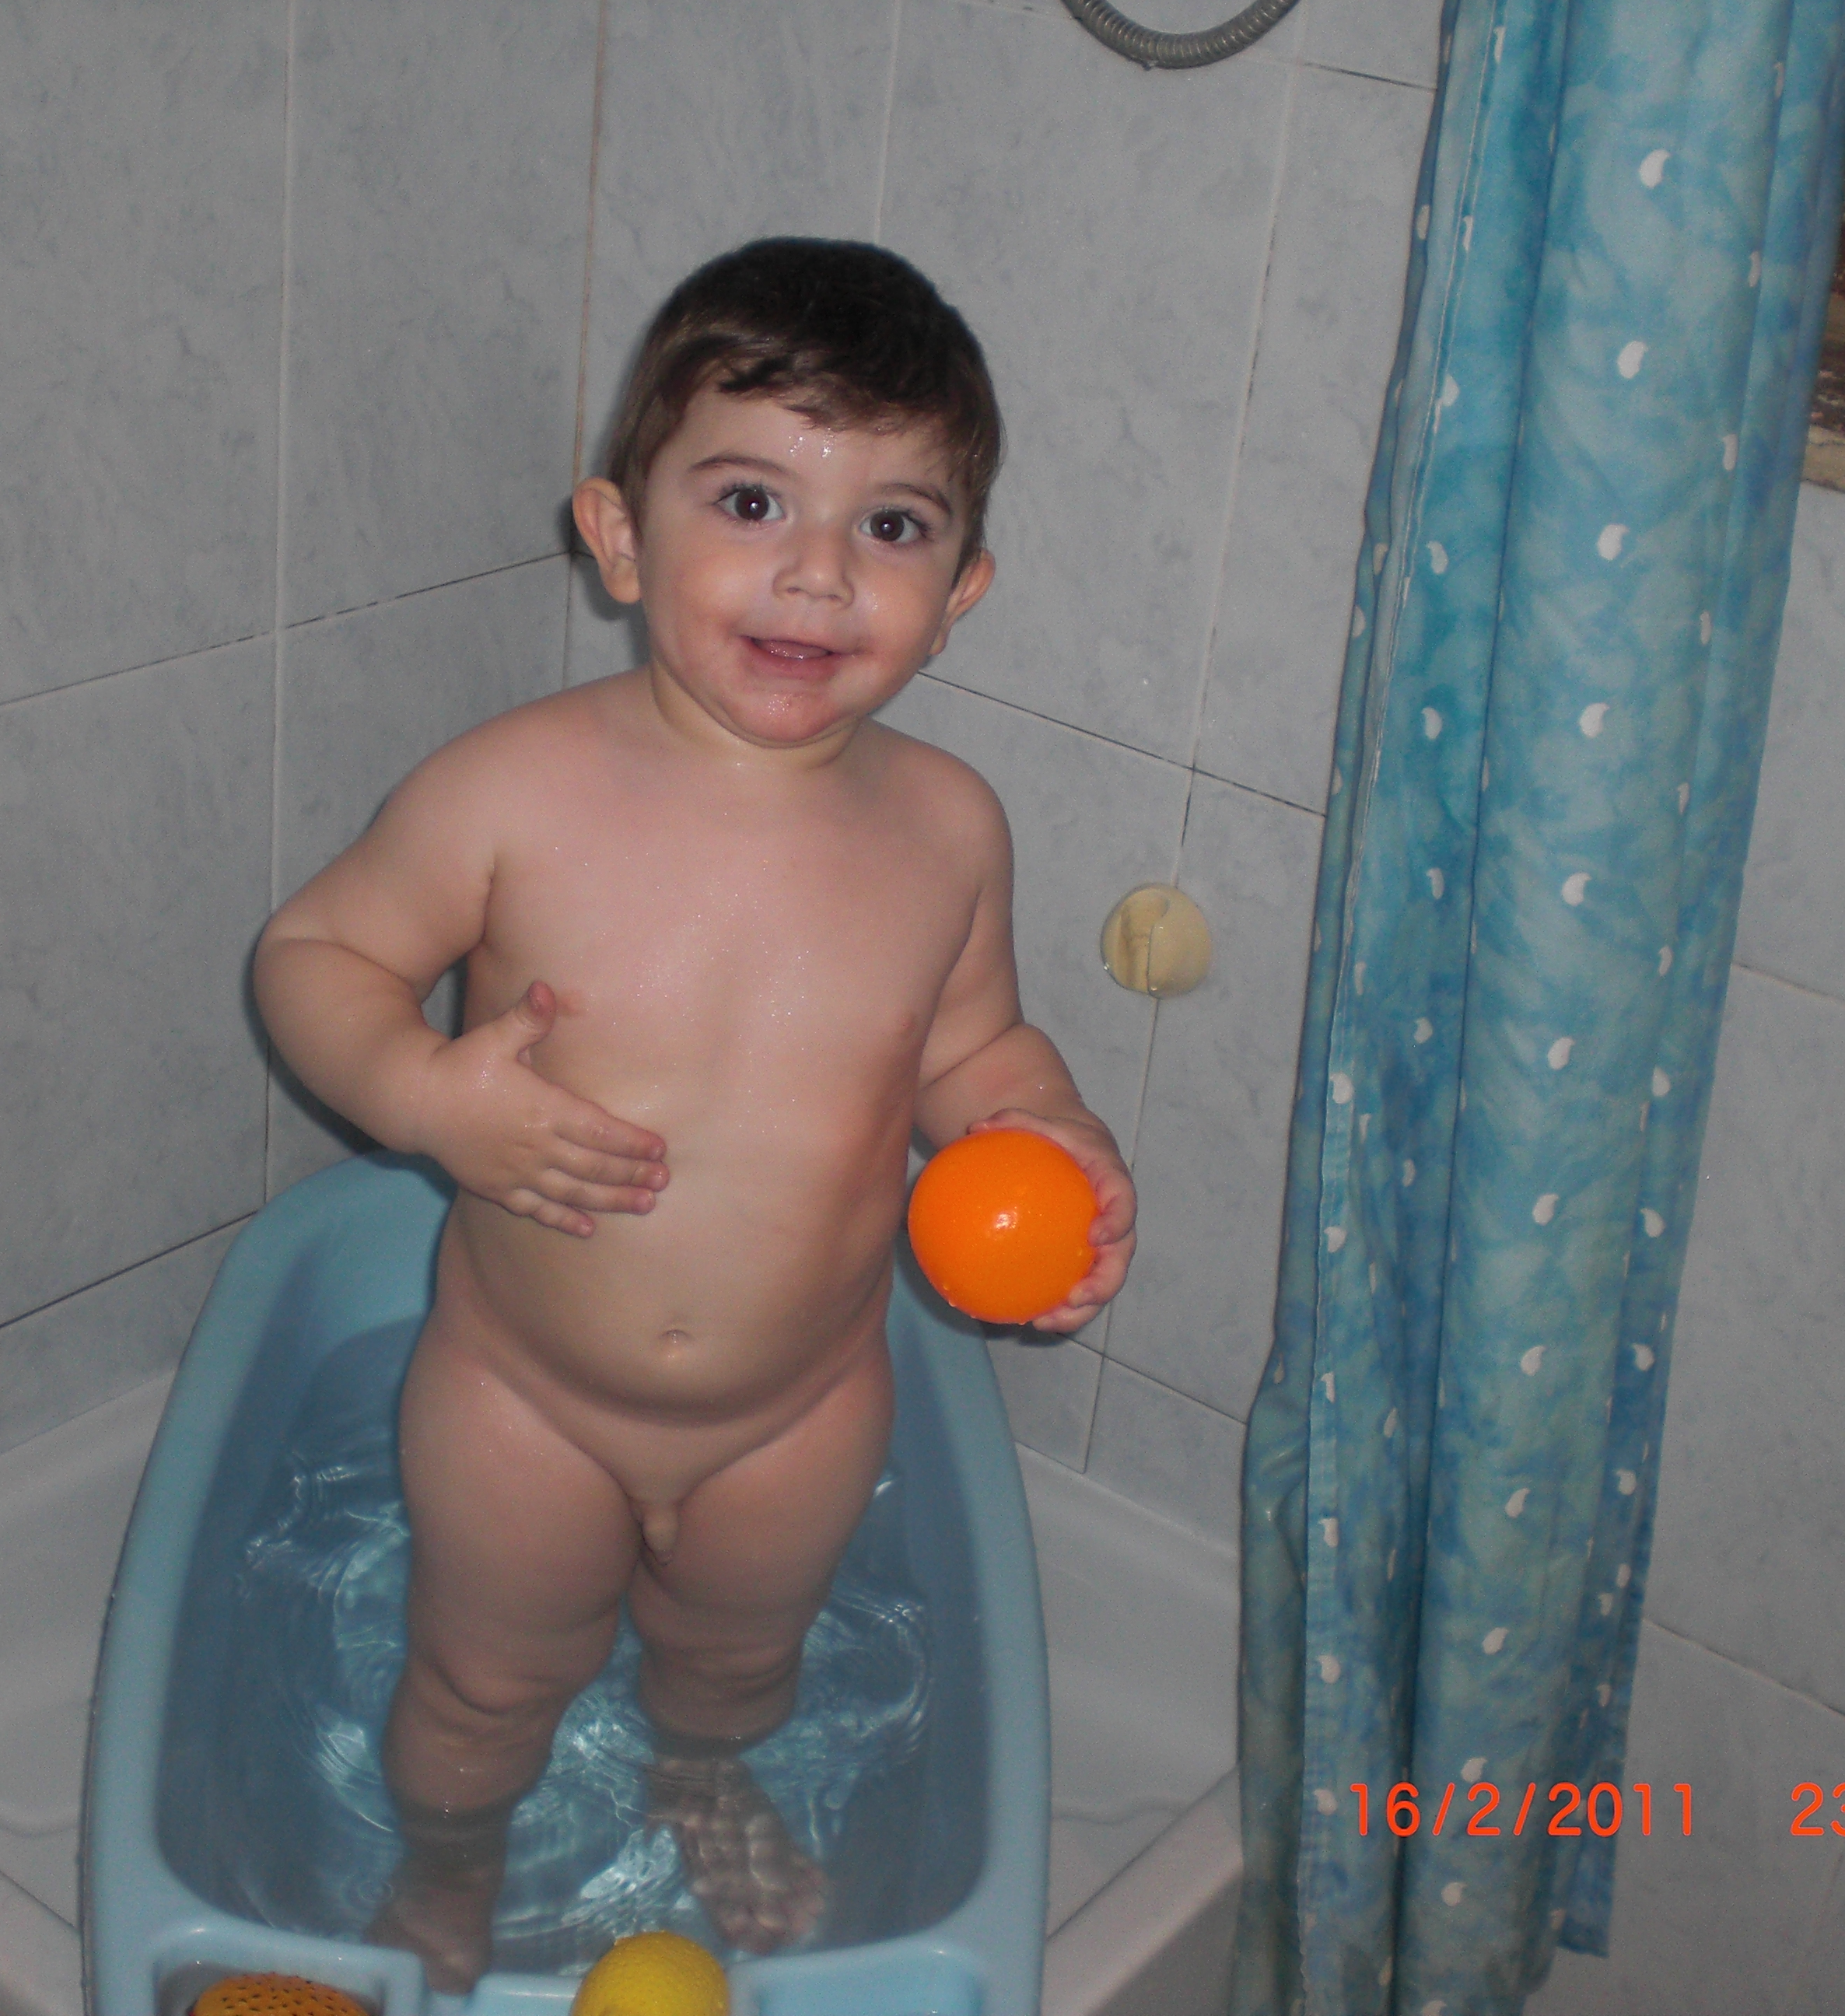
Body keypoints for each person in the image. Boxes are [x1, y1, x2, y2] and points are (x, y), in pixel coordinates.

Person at [252, 236, 1138, 1991]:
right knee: (484, 1681)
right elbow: (314, 955)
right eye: (749, 501)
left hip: (797, 1405)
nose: (819, 572)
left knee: (740, 1667)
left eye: (894, 525)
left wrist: (1053, 1138)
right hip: (527, 1397)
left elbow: (976, 1051)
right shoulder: (515, 790)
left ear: (961, 588)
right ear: (617, 536)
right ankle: (449, 1864)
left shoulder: (949, 829)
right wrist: (427, 1096)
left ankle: (703, 1776)